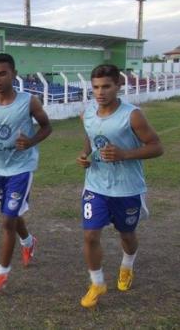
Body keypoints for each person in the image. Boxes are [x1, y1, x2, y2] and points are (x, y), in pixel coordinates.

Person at [76, 64, 163, 308]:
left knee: (127, 234)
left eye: (106, 86)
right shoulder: (88, 113)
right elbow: (90, 137)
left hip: (126, 188)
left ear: (118, 86)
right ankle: (97, 282)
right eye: (95, 87)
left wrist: (124, 154)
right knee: (90, 234)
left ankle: (127, 264)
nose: (100, 92)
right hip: (95, 185)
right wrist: (85, 155)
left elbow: (157, 146)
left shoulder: (132, 115)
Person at [0, 53, 52, 294]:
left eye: (2, 73)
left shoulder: (29, 101)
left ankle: (2, 274)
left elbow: (47, 127)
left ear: (14, 74)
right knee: (12, 212)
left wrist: (30, 141)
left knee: (8, 219)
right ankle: (28, 241)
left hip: (22, 167)